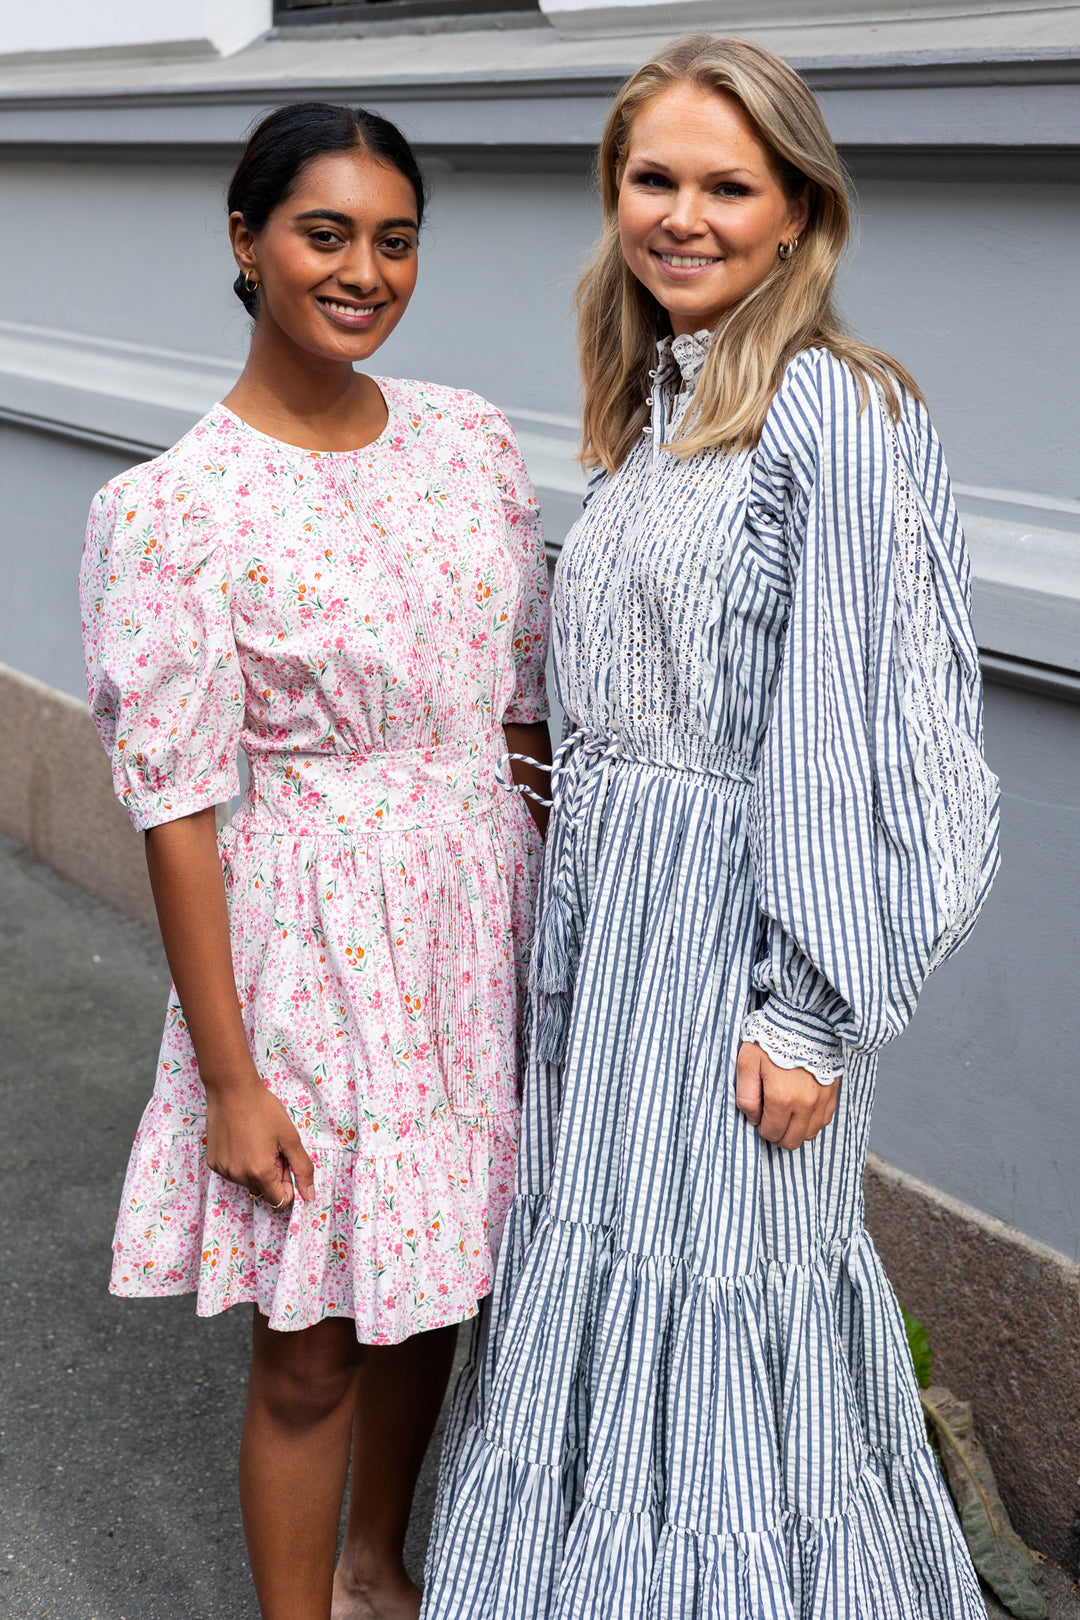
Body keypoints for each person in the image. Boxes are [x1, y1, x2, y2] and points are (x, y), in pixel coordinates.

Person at [421, 34, 999, 1620]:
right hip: (607, 955)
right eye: (653, 179)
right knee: (602, 1289)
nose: (684, 215)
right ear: (614, 197)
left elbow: (889, 743)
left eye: (727, 186)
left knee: (735, 1311)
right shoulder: (654, 413)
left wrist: (816, 1011)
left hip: (737, 961)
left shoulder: (841, 419)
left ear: (799, 214)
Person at [80, 102, 551, 1620]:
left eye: (394, 239)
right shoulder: (173, 510)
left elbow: (527, 709)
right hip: (316, 948)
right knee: (313, 1342)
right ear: (247, 241)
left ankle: (376, 1569)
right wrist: (230, 1078)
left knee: (434, 1293)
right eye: (325, 232)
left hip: (479, 928)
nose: (364, 270)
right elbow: (177, 808)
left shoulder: (472, 440)